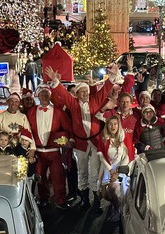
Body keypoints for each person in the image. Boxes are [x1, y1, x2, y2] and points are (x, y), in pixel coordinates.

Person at [45, 64, 119, 212]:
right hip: (80, 144)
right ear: (77, 94)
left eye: (86, 91)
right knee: (82, 172)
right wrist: (55, 81)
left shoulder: (95, 101)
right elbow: (63, 94)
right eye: (81, 92)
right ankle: (85, 200)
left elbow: (105, 89)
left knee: (94, 172)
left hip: (95, 142)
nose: (85, 93)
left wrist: (112, 76)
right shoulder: (73, 104)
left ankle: (96, 201)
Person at [27, 85, 73, 210]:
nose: (44, 97)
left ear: (50, 96)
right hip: (38, 150)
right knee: (40, 177)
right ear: (38, 96)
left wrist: (70, 140)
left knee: (58, 177)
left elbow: (68, 128)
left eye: (47, 94)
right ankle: (44, 199)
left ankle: (61, 200)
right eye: (42, 94)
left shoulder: (58, 111)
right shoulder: (32, 111)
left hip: (54, 150)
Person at [97, 115, 129, 222]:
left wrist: (118, 172)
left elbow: (126, 157)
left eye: (115, 124)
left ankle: (118, 210)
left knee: (111, 189)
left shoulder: (122, 139)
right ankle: (115, 203)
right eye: (110, 124)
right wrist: (110, 170)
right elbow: (101, 156)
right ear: (107, 126)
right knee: (104, 195)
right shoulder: (103, 139)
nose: (113, 126)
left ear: (118, 125)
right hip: (107, 169)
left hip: (119, 170)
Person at [0, 92, 35, 159]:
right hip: (6, 149)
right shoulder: (0, 117)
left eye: (16, 102)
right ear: (7, 102)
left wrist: (32, 148)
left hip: (21, 148)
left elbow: (29, 133)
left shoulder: (23, 116)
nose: (14, 104)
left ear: (19, 103)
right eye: (11, 101)